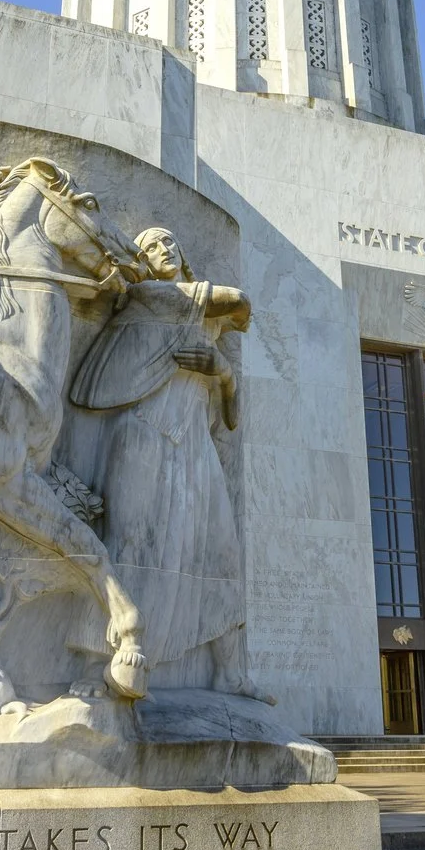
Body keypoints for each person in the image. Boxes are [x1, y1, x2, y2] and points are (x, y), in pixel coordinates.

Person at [68, 226, 265, 697]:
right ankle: (99, 666)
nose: (164, 249)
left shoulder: (204, 322)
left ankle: (229, 674)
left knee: (221, 554)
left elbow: (233, 419)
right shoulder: (150, 297)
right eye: (151, 246)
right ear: (142, 261)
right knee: (128, 541)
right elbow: (239, 300)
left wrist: (223, 372)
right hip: (142, 432)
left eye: (170, 241)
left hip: (193, 441)